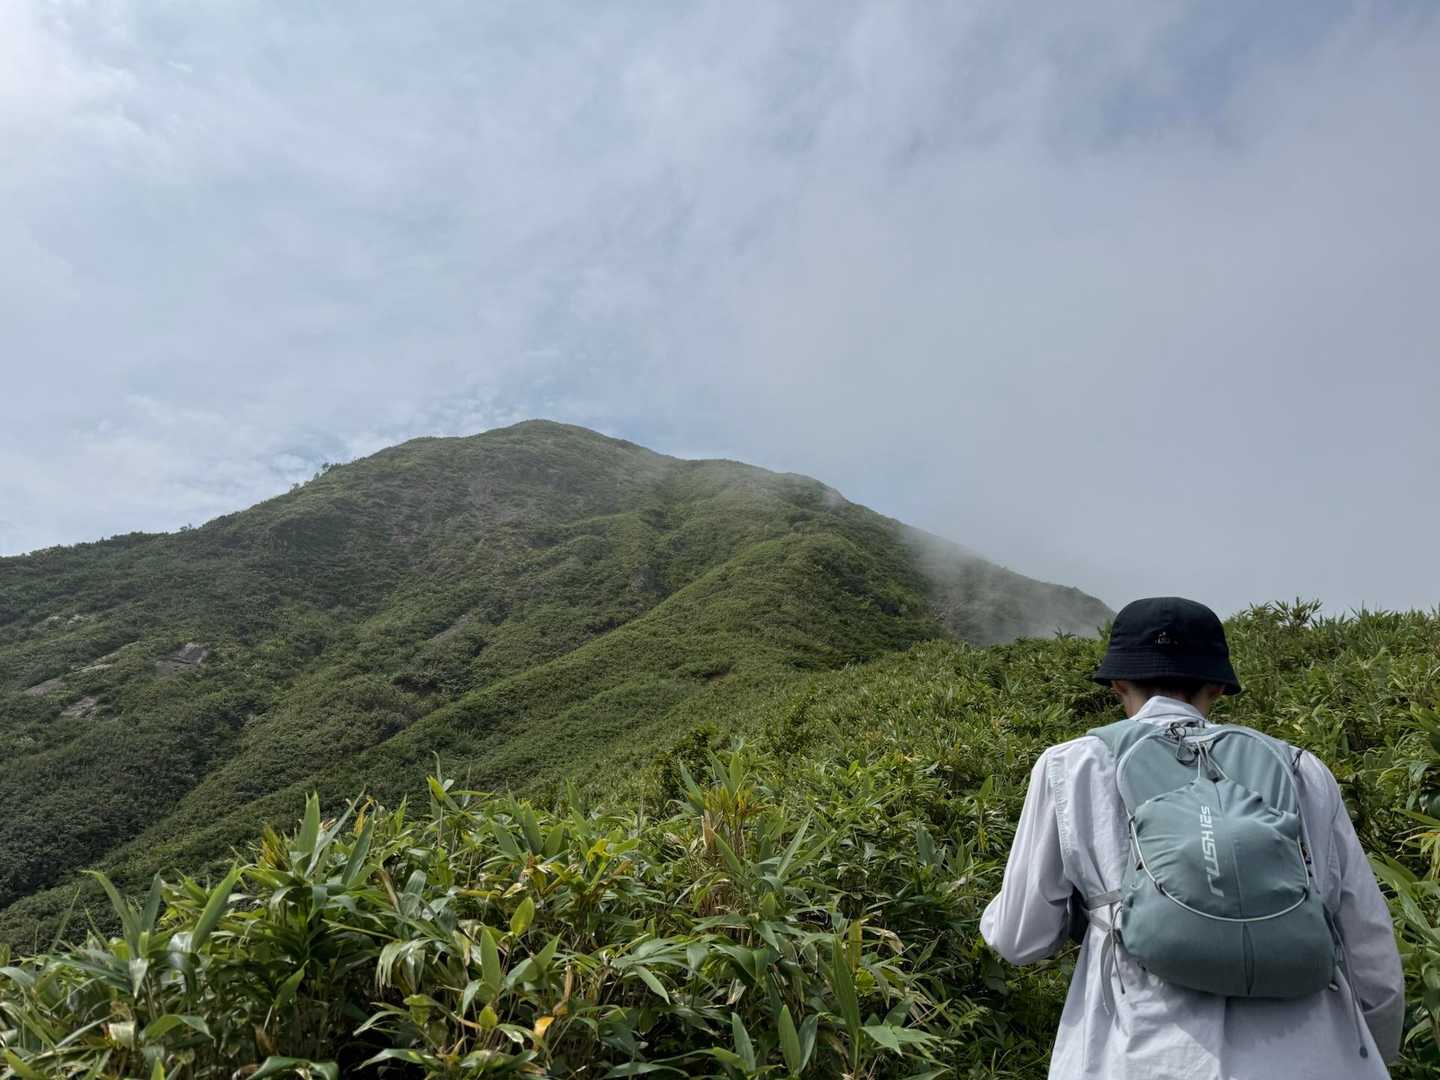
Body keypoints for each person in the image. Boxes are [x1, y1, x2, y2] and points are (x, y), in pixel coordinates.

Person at [980, 596, 1405, 1079]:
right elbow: (1368, 946)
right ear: (1218, 686)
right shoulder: (1301, 769)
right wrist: (1375, 1051)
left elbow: (1020, 939)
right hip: (1311, 1057)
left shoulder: (1072, 766)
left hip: (1142, 1057)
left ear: (1118, 684)